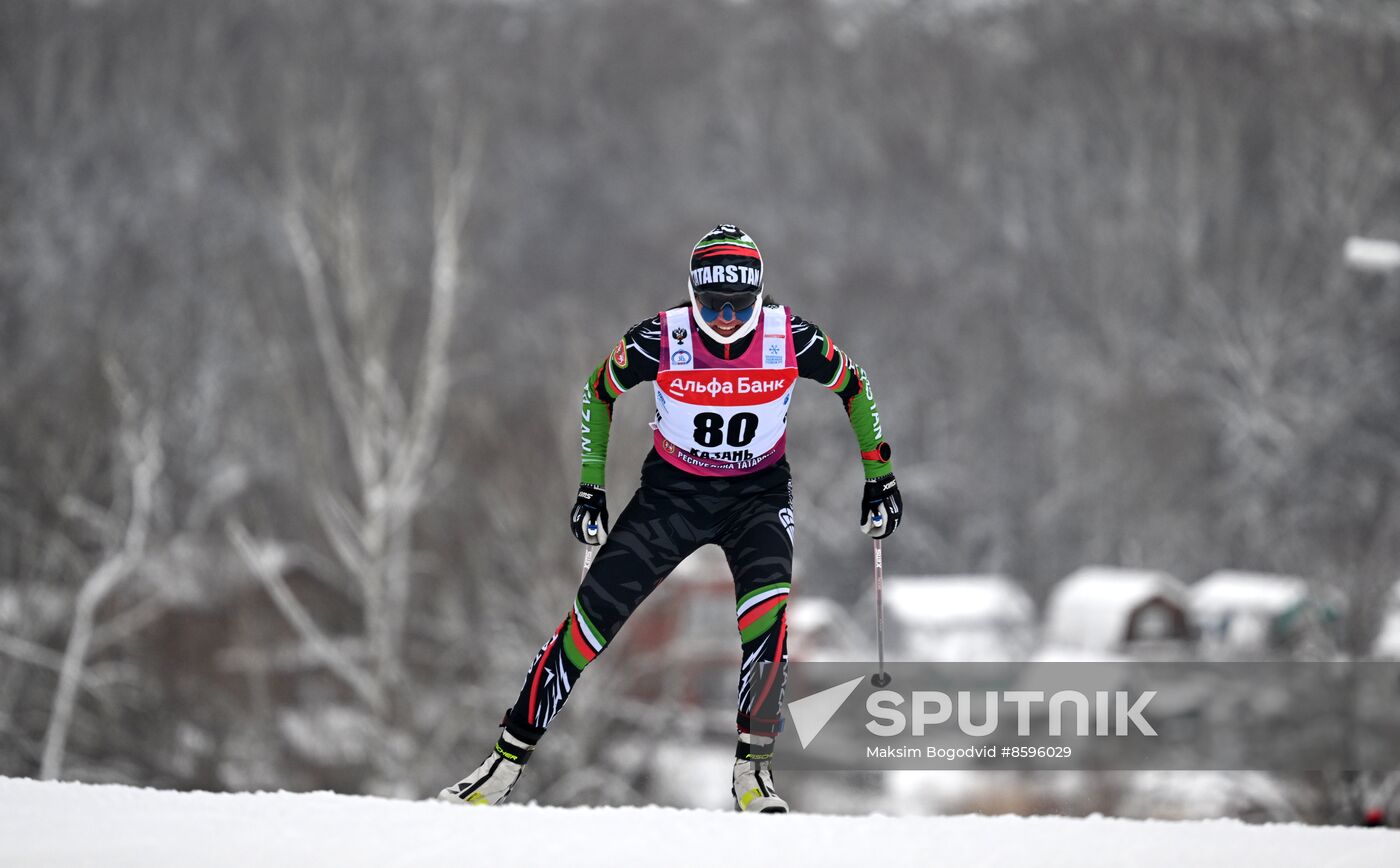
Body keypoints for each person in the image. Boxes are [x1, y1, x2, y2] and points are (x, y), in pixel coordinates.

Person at [439, 224, 902, 813]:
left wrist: (878, 475)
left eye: (740, 304)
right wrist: (590, 489)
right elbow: (597, 393)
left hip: (755, 498)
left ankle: (752, 772)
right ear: (693, 294)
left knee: (767, 622)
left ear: (759, 295)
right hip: (671, 498)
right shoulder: (661, 337)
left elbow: (854, 385)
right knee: (588, 625)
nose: (728, 318)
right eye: (714, 304)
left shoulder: (790, 336)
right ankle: (502, 764)